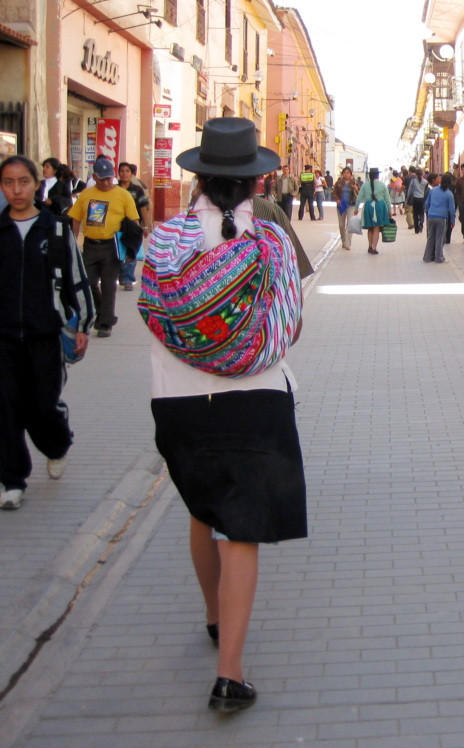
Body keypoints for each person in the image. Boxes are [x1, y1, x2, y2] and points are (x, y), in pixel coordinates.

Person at [139, 117, 306, 713]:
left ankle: (213, 615)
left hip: (178, 398)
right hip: (256, 396)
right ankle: (229, 673)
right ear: (256, 182)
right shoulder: (271, 243)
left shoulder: (162, 242)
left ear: (199, 177)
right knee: (244, 529)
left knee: (202, 510)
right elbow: (288, 325)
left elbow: (148, 313)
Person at [0, 155, 93, 510]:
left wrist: (82, 324)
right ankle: (12, 479)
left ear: (37, 184)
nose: (16, 189)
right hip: (5, 335)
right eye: (8, 182)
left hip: (45, 333)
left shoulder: (54, 229)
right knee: (6, 406)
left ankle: (57, 444)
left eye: (23, 182)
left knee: (42, 405)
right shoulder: (0, 229)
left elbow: (75, 278)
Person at [67, 156, 139, 337]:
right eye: (102, 179)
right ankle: (101, 311)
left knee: (109, 285)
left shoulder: (123, 195)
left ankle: (105, 323)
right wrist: (72, 243)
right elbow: (75, 218)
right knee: (88, 282)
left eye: (109, 178)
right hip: (90, 246)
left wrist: (133, 250)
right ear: (94, 177)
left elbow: (134, 223)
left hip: (111, 247)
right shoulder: (86, 194)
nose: (107, 182)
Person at [116, 162, 152, 292]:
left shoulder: (137, 190)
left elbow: (143, 208)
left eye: (127, 171)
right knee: (118, 252)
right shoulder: (114, 189)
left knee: (132, 251)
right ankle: (121, 273)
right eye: (122, 171)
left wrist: (145, 226)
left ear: (131, 174)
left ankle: (128, 279)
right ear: (118, 173)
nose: (124, 173)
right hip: (117, 225)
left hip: (133, 225)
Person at [355, 167, 391, 255]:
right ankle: (374, 248)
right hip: (379, 206)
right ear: (377, 175)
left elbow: (359, 198)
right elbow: (387, 199)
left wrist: (356, 209)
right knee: (376, 227)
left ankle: (370, 246)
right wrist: (389, 210)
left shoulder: (364, 185)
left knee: (370, 227)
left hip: (368, 206)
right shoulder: (382, 185)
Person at [422, 172, 455, 264]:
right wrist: (452, 221)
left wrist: (428, 212)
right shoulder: (449, 194)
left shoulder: (433, 190)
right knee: (440, 238)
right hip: (442, 217)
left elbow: (427, 204)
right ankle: (439, 257)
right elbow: (452, 210)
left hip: (431, 216)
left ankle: (427, 257)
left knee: (430, 237)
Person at [333, 167, 358, 250]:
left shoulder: (354, 182)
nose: (346, 174)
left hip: (351, 205)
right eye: (344, 173)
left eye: (348, 173)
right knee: (341, 225)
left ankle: (348, 243)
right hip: (341, 205)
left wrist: (357, 189)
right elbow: (334, 193)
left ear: (350, 174)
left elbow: (360, 193)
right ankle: (343, 241)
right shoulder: (338, 183)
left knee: (349, 224)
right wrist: (337, 199)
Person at [406, 167, 428, 233]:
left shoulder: (413, 181)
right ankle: (421, 223)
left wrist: (408, 198)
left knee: (415, 213)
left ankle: (416, 229)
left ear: (416, 174)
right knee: (421, 213)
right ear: (422, 174)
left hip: (415, 199)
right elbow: (426, 190)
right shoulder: (425, 181)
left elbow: (410, 190)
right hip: (422, 199)